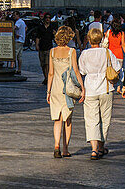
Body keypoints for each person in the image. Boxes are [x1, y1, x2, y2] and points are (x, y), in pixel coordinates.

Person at [78, 27, 121, 159]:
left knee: (91, 119)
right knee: (105, 119)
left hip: (90, 89)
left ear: (89, 39)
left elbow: (82, 71)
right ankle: (102, 146)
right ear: (102, 39)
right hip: (106, 89)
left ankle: (94, 149)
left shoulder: (84, 54)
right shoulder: (107, 52)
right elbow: (118, 68)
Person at [47, 24, 84, 158]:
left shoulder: (52, 51)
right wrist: (82, 87)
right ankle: (65, 148)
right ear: (68, 38)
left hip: (55, 88)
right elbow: (75, 71)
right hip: (67, 89)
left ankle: (56, 145)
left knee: (57, 119)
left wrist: (48, 91)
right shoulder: (71, 51)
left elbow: (50, 73)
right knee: (67, 119)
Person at [35, 14, 55, 83]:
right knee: (43, 64)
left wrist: (55, 34)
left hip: (49, 47)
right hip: (41, 47)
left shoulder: (52, 27)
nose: (47, 19)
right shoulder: (40, 27)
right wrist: (37, 45)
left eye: (49, 18)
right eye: (46, 18)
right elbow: (38, 37)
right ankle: (45, 77)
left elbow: (54, 38)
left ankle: (47, 78)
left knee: (47, 64)